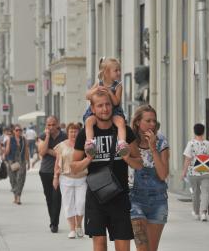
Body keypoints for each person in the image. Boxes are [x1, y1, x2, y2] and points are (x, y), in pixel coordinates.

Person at [71, 90, 142, 251]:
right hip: (96, 197)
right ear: (93, 109)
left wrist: (127, 159)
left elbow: (139, 163)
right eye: (100, 105)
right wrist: (88, 159)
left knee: (123, 244)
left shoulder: (125, 131)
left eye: (107, 104)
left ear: (113, 106)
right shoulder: (85, 134)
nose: (104, 109)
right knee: (99, 244)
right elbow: (73, 168)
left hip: (120, 195)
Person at [129, 105, 170, 251]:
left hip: (158, 201)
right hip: (134, 200)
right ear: (138, 122)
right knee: (142, 248)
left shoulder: (161, 141)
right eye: (148, 121)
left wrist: (153, 147)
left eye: (154, 121)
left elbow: (163, 174)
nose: (152, 124)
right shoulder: (130, 141)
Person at [83, 57, 129, 158]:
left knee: (120, 122)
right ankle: (90, 143)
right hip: (98, 112)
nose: (119, 72)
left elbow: (116, 102)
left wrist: (109, 92)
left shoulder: (118, 86)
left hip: (114, 110)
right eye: (116, 70)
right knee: (89, 121)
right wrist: (95, 90)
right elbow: (87, 96)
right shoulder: (99, 83)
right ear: (107, 72)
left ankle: (121, 144)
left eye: (119, 70)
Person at [53, 123, 87, 239]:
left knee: (81, 203)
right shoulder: (61, 146)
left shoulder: (84, 144)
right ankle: (72, 229)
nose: (73, 133)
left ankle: (79, 225)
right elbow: (57, 163)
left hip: (81, 178)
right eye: (71, 131)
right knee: (68, 205)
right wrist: (55, 177)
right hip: (66, 178)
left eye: (76, 131)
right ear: (67, 133)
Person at [37, 115, 67, 233]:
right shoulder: (43, 136)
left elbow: (64, 154)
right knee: (49, 198)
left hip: (60, 172)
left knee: (57, 198)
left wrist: (51, 151)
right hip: (45, 171)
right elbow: (42, 152)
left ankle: (54, 224)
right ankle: (52, 220)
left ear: (58, 124)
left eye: (53, 124)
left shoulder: (64, 136)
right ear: (46, 125)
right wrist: (48, 137)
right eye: (49, 125)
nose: (51, 127)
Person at [181, 123, 209, 222]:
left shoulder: (191, 144)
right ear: (203, 132)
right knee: (205, 193)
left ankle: (196, 212)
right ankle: (203, 213)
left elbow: (187, 159)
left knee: (195, 193)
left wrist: (184, 172)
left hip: (193, 172)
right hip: (206, 171)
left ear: (194, 131)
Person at [5, 124, 30, 204]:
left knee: (21, 179)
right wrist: (6, 150)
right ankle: (15, 196)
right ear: (13, 131)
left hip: (21, 161)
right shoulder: (10, 139)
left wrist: (28, 162)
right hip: (12, 161)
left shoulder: (24, 139)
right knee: (13, 179)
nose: (18, 131)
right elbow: (7, 152)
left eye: (20, 130)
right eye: (17, 130)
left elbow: (26, 151)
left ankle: (18, 197)